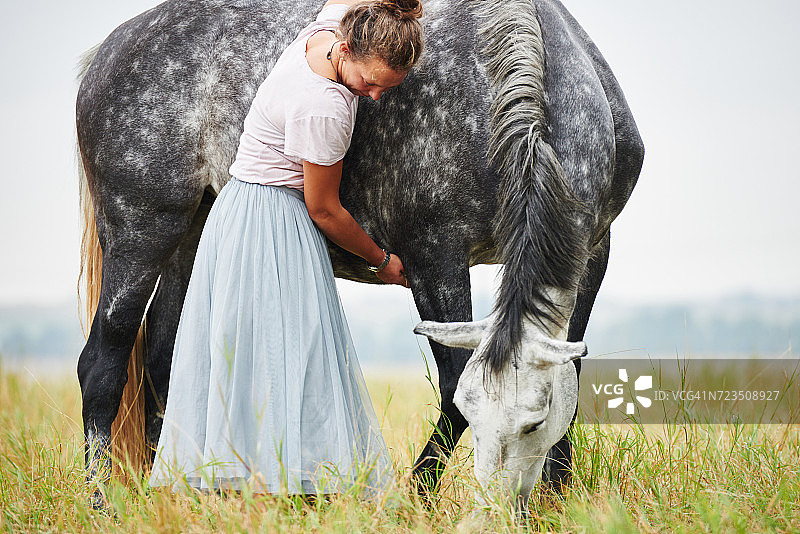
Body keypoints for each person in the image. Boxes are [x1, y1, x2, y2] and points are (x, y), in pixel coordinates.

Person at [148, 0, 424, 495]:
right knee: (288, 352)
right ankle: (273, 482)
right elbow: (325, 210)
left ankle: (252, 476)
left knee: (247, 350)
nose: (375, 96)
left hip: (237, 207)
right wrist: (381, 260)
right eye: (370, 83)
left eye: (387, 87)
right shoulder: (325, 108)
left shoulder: (321, 35)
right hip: (271, 222)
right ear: (347, 50)